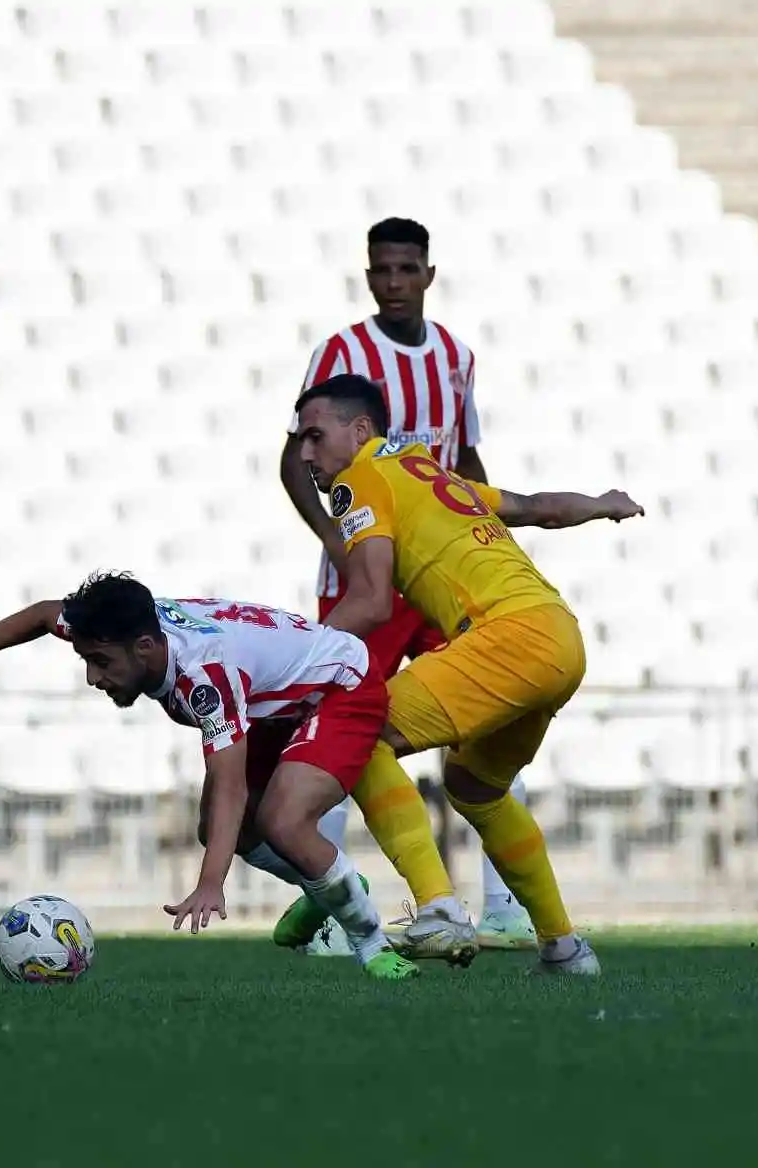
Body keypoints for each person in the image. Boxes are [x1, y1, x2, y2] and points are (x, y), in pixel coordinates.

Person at [0, 573, 484, 980]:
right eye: (86, 658)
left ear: (144, 647)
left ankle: (373, 947)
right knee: (219, 831)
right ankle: (324, 887)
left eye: (101, 663)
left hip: (343, 687)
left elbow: (231, 783)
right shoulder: (130, 631)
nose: (91, 676)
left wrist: (212, 884)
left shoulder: (203, 676)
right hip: (276, 700)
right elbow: (41, 614)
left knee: (282, 820)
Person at [293, 373, 644, 975]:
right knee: (475, 786)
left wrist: (294, 657)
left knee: (362, 732)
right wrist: (600, 504)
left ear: (360, 431)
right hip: (559, 636)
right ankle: (564, 947)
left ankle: (438, 907)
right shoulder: (430, 474)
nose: (305, 455)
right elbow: (537, 510)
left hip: (507, 636)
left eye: (315, 436)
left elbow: (374, 600)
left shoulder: (359, 480)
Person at [278, 216, 534, 954]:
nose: (393, 283)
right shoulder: (342, 353)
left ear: (428, 273)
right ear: (368, 277)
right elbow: (296, 457)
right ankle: (332, 911)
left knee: (489, 719)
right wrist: (336, 540)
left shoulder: (455, 356)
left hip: (441, 574)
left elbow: (468, 460)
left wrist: (493, 549)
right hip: (367, 579)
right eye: (381, 271)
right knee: (336, 728)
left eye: (406, 270)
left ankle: (507, 907)